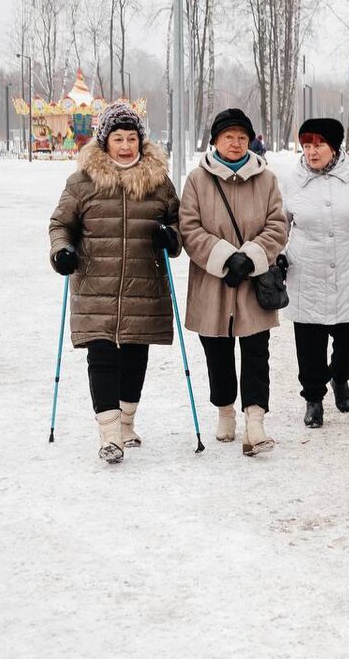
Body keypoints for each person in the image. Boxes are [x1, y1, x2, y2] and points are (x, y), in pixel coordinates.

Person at [48, 102, 181, 464]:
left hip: (144, 286)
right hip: (95, 286)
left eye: (132, 138)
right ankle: (109, 434)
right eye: (118, 138)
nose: (126, 145)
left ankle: (126, 422)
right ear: (105, 141)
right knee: (102, 356)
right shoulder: (81, 182)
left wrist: (173, 238)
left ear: (141, 140)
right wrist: (62, 251)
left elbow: (179, 223)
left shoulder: (159, 183)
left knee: (136, 357)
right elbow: (61, 225)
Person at [179, 108, 289, 456]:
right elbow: (189, 227)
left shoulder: (267, 179)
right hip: (213, 283)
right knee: (217, 353)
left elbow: (278, 225)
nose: (236, 143)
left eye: (242, 137)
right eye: (229, 137)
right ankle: (225, 408)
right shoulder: (197, 180)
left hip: (254, 284)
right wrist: (227, 258)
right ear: (215, 141)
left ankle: (254, 423)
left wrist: (252, 256)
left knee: (257, 353)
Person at [281, 118, 349, 427]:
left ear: (334, 146)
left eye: (319, 145)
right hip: (306, 270)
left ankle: (340, 378)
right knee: (309, 343)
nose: (312, 152)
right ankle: (313, 399)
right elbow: (279, 224)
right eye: (306, 145)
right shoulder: (290, 179)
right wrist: (278, 255)